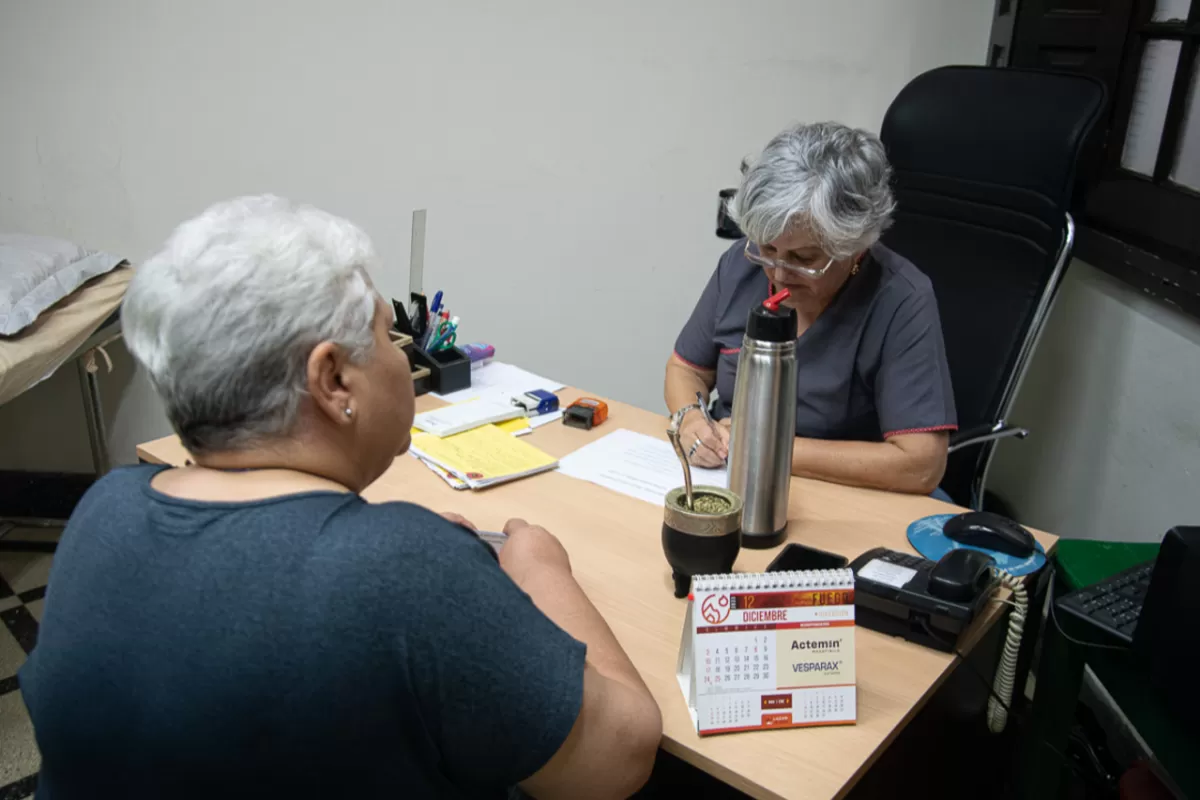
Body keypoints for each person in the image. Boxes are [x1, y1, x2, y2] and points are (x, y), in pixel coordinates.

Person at [20, 196, 661, 799]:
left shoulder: (105, 510)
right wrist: (541, 570)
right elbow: (622, 757)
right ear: (332, 379)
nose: (403, 356)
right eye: (388, 337)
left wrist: (395, 552)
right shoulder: (406, 568)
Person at [665, 122, 956, 495]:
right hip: (730, 478)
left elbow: (920, 465)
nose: (778, 273)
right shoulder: (741, 265)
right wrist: (689, 419)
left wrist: (765, 449)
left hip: (848, 494)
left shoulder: (901, 298)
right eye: (767, 249)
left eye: (804, 257)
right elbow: (685, 369)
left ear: (855, 245)